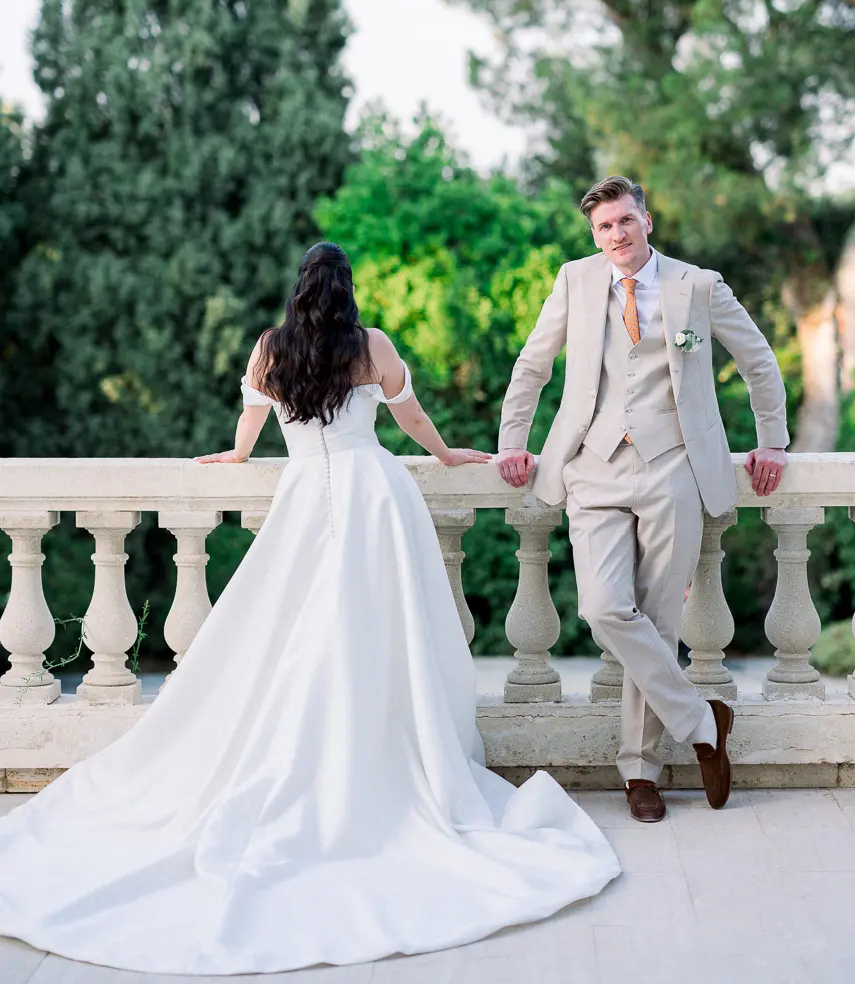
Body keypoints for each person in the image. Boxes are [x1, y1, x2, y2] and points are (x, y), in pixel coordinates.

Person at [0, 242, 619, 975]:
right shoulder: (372, 345)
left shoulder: (271, 348)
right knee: (381, 633)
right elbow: (413, 420)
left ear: (300, 289)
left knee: (290, 633)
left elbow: (251, 428)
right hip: (374, 496)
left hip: (305, 497)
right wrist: (452, 455)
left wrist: (233, 460)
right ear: (347, 289)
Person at [498, 176, 788, 823]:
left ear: (647, 221)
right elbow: (533, 364)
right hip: (593, 467)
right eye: (604, 227)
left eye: (626, 221)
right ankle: (704, 724)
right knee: (605, 608)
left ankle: (640, 772)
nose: (616, 235)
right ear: (594, 235)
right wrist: (512, 440)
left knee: (657, 622)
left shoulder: (698, 286)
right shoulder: (574, 281)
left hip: (672, 468)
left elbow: (758, 360)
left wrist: (772, 441)